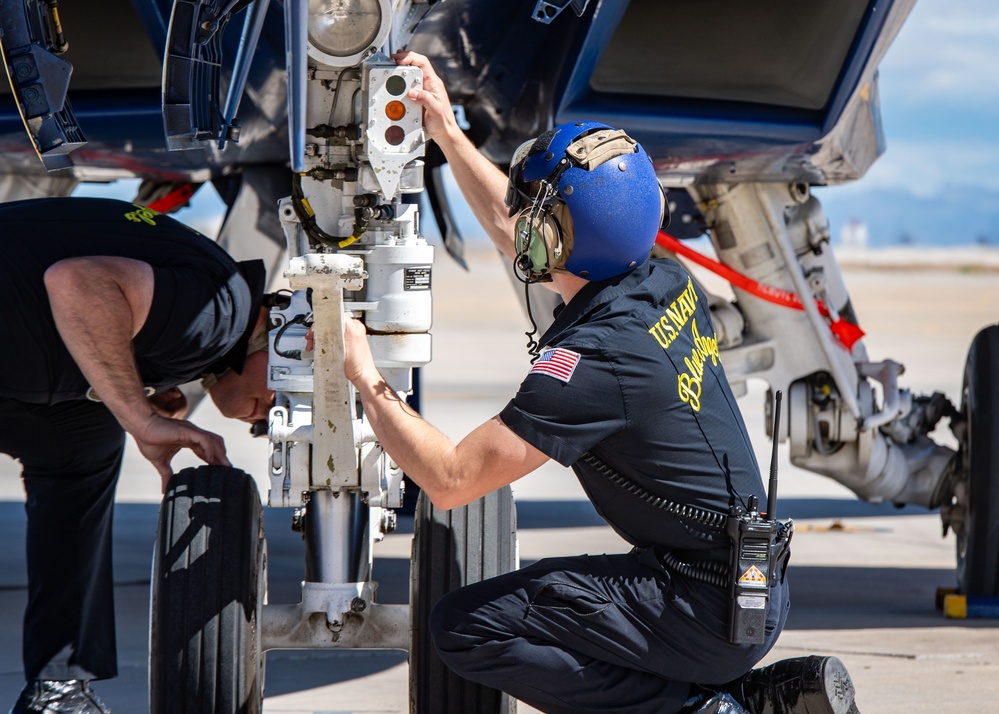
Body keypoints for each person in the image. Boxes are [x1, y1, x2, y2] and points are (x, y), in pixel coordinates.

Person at [340, 51, 862, 714]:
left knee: (469, 626)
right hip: (748, 588)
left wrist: (365, 376)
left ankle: (707, 710)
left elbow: (450, 479)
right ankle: (757, 696)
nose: (521, 223)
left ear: (562, 238)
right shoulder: (661, 278)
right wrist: (444, 129)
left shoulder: (591, 364)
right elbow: (519, 231)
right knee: (542, 593)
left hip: (700, 607)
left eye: (538, 214)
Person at [0, 196, 274, 713]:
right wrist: (139, 415)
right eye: (290, 396)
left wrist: (142, 387)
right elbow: (77, 284)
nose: (265, 417)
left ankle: (59, 690)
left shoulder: (210, 310)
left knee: (83, 446)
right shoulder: (224, 312)